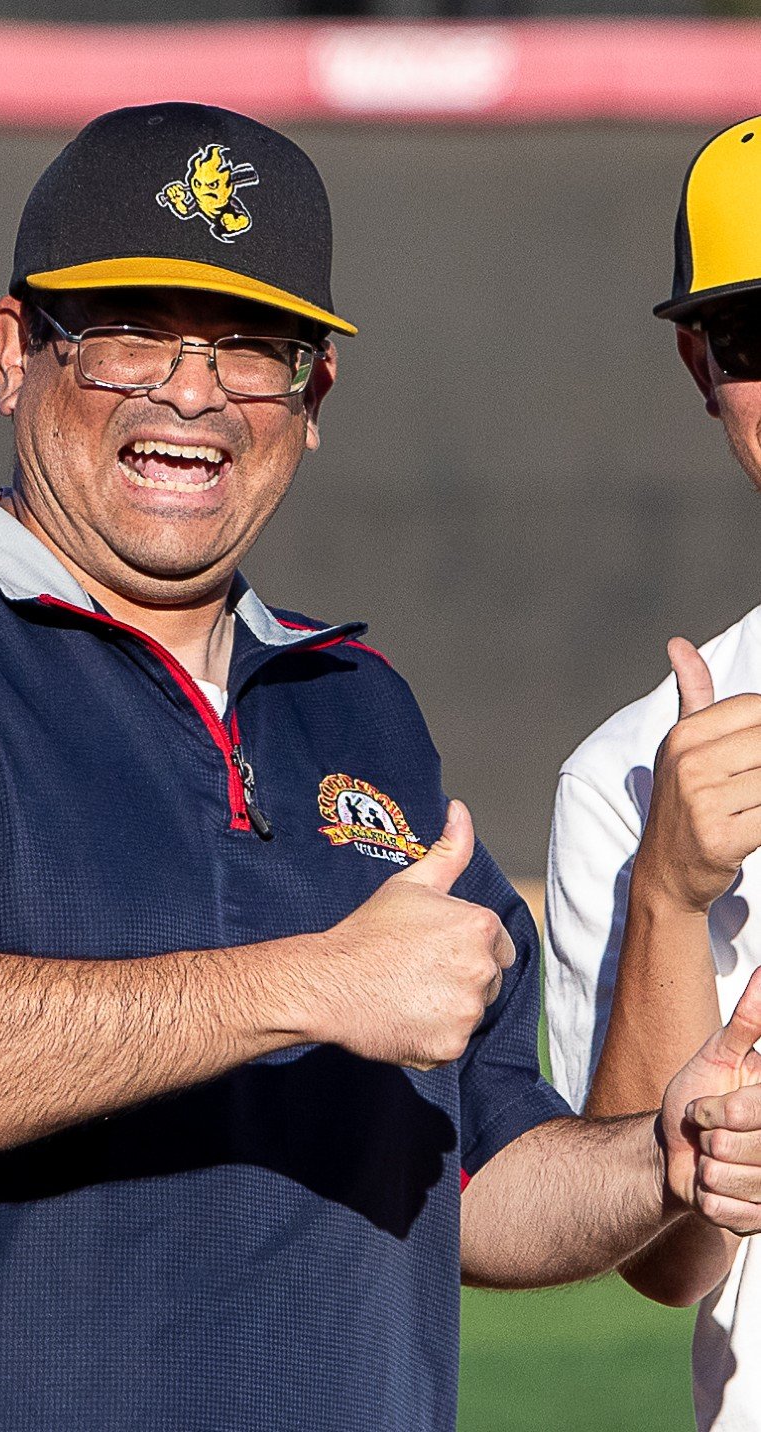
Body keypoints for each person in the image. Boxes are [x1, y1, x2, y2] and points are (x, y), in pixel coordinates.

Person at [0, 103, 761, 1432]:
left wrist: (660, 1158)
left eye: (248, 349)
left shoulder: (360, 713)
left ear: (315, 396)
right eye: (130, 336)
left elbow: (486, 1188)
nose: (191, 391)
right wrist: (306, 986)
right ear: (13, 354)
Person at [546, 114, 761, 1431]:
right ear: (700, 363)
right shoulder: (632, 776)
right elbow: (661, 1267)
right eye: (756, 338)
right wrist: (671, 900)